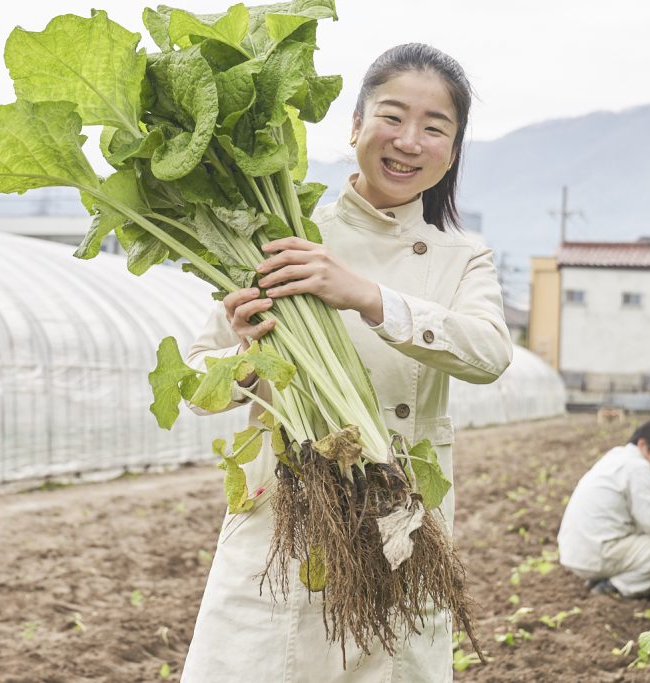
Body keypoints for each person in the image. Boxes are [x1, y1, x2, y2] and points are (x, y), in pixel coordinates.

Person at [180, 44, 513, 682]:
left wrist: (365, 295)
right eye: (391, 117)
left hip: (400, 527)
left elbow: (489, 353)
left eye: (435, 128)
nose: (409, 141)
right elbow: (198, 386)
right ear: (355, 125)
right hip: (289, 521)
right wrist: (246, 355)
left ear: (453, 148)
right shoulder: (282, 233)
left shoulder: (461, 257)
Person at [557, 420, 650, 599]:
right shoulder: (638, 467)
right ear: (643, 444)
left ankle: (601, 578)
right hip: (598, 553)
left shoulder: (617, 456)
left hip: (578, 552)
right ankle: (615, 587)